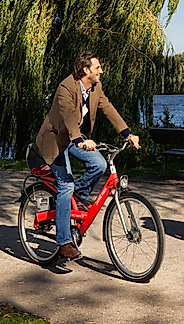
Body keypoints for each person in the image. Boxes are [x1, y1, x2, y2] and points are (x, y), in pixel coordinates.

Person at [35, 52, 140, 261]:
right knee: (65, 185)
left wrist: (127, 133)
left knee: (99, 164)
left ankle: (77, 200)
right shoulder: (66, 87)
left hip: (76, 138)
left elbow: (109, 109)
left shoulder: (95, 88)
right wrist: (78, 139)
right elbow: (67, 117)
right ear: (86, 70)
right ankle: (64, 243)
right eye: (97, 67)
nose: (101, 71)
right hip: (56, 139)